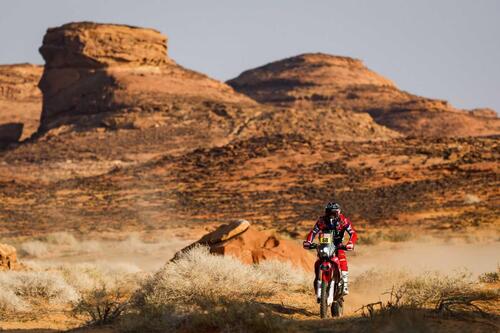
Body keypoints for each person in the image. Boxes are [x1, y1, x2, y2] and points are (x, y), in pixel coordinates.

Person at [303, 202, 357, 295]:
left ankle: (345, 285)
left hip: (338, 245)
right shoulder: (322, 221)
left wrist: (350, 243)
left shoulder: (343, 220)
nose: (331, 216)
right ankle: (317, 279)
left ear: (338, 212)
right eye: (329, 213)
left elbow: (352, 233)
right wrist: (308, 242)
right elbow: (313, 232)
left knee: (342, 258)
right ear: (326, 212)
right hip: (325, 245)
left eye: (334, 213)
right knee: (318, 260)